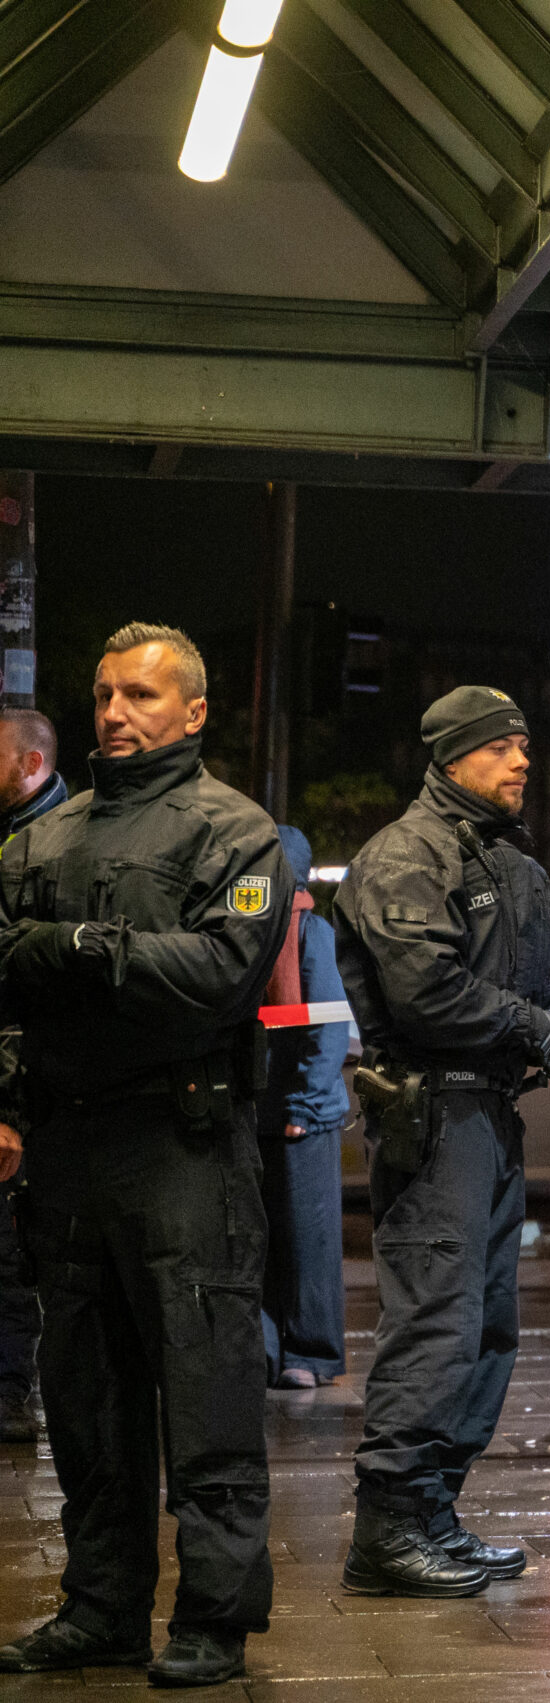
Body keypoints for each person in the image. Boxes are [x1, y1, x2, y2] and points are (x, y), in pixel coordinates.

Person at [0, 625, 289, 1685]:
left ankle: (213, 1616)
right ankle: (102, 1606)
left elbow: (219, 974)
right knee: (87, 1400)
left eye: (142, 694)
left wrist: (80, 950)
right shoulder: (42, 837)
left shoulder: (235, 831)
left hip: (185, 1149)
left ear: (194, 711)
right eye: (105, 692)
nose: (116, 711)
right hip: (71, 1146)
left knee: (207, 1391)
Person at [334, 686, 550, 1599]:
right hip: (434, 1116)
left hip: (490, 1113)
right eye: (502, 746)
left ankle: (430, 1510)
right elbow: (427, 994)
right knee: (436, 1323)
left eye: (525, 743)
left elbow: (540, 985)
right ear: (452, 758)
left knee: (485, 1328)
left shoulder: (510, 863)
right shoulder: (407, 855)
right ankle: (387, 1527)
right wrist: (533, 1023)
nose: (523, 760)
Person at [260, 825, 350, 1390]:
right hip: (260, 1111)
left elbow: (328, 1027)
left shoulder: (311, 933)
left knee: (308, 1240)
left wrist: (306, 1106)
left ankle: (311, 1354)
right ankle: (269, 1351)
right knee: (264, 1238)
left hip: (302, 1117)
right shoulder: (254, 930)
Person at [0, 705, 64, 1445]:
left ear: (30, 764)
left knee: (12, 1253)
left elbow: (28, 998)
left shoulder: (48, 846)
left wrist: (10, 1109)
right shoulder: (20, 836)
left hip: (25, 1099)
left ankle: (10, 1391)